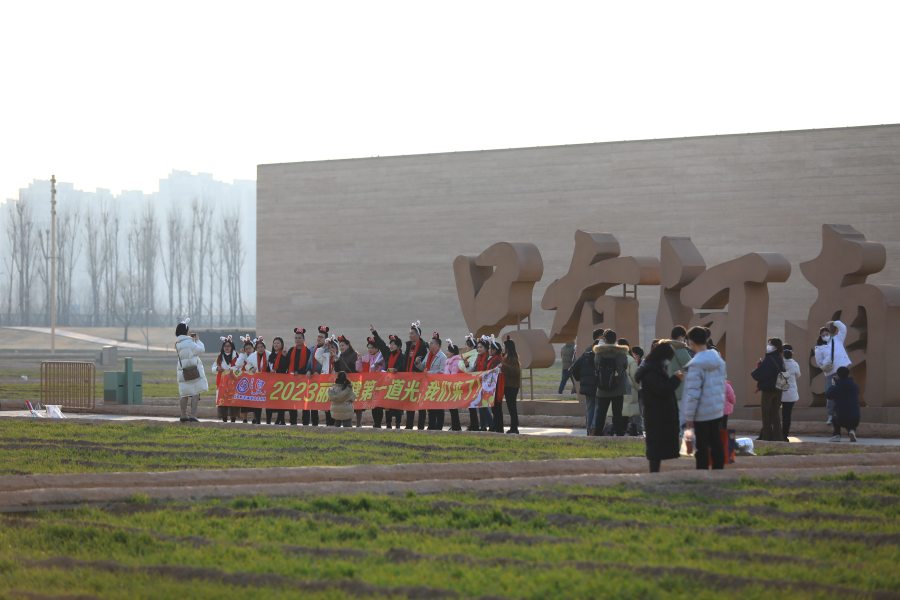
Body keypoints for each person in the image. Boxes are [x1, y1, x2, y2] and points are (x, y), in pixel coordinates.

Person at [681, 326, 728, 470]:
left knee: (701, 446)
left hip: (701, 413)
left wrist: (688, 416)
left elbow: (693, 393)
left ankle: (702, 473)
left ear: (691, 341)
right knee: (716, 442)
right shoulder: (718, 360)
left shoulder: (696, 364)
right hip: (716, 409)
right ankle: (719, 470)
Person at [635, 341, 684, 472]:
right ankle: (654, 473)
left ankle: (656, 472)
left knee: (658, 446)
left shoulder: (655, 368)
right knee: (656, 447)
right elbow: (662, 389)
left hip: (659, 413)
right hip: (656, 414)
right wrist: (676, 379)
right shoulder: (651, 372)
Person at [815, 320, 852, 425]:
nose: (825, 336)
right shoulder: (819, 348)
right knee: (830, 395)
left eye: (826, 334)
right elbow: (819, 362)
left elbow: (843, 329)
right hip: (830, 373)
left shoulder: (837, 339)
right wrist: (825, 365)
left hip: (842, 371)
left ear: (830, 334)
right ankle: (830, 416)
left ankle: (844, 415)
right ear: (820, 337)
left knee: (844, 393)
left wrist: (835, 323)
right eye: (823, 335)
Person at [593, 330, 629, 436]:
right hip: (618, 387)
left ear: (604, 339)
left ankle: (598, 432)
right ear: (615, 339)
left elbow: (596, 365)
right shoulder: (621, 352)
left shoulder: (599, 352)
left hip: (602, 386)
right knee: (617, 412)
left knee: (601, 412)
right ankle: (619, 433)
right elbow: (624, 366)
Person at [751, 337, 786, 441]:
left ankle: (766, 437)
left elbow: (760, 374)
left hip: (768, 391)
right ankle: (778, 437)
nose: (768, 346)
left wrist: (758, 367)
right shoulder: (780, 358)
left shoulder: (769, 359)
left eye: (770, 344)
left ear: (775, 347)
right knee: (775, 415)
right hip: (778, 390)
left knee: (766, 415)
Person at [370, 325, 405, 428]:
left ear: (398, 346)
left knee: (397, 405)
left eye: (394, 344)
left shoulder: (402, 356)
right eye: (391, 344)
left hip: (398, 384)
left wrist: (396, 370)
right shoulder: (388, 354)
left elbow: (403, 367)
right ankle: (388, 424)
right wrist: (374, 333)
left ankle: (398, 425)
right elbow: (381, 345)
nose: (391, 346)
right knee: (387, 404)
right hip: (388, 383)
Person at [174, 319, 208, 423]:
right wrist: (197, 340)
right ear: (185, 331)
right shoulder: (189, 342)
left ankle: (183, 415)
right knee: (195, 393)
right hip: (193, 371)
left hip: (183, 371)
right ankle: (193, 415)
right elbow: (201, 350)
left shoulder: (177, 343)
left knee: (184, 394)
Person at [570, 328, 602, 435]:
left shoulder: (586, 352)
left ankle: (589, 429)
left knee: (590, 407)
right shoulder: (600, 353)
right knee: (597, 407)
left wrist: (580, 379)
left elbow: (574, 368)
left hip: (587, 386)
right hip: (598, 385)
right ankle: (593, 428)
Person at [286, 327, 315, 426]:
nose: (297, 340)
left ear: (303, 339)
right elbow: (286, 364)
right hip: (292, 381)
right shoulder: (291, 350)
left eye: (299, 338)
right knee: (292, 402)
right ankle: (293, 422)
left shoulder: (308, 351)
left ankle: (305, 423)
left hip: (304, 380)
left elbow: (309, 365)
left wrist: (299, 372)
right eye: (296, 338)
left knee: (305, 402)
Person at [667, 326, 695, 424]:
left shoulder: (665, 347)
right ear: (680, 337)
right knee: (681, 416)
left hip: (667, 383)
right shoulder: (679, 347)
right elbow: (689, 364)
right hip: (679, 385)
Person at [238, 337, 270, 424]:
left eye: (262, 347)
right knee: (257, 401)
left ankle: (268, 420)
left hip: (267, 381)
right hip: (256, 381)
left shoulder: (269, 355)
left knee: (267, 401)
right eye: (258, 347)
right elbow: (247, 365)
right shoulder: (252, 356)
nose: (260, 349)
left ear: (264, 347)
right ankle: (257, 419)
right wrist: (251, 368)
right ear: (256, 348)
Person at [403, 320, 429, 430]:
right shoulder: (408, 346)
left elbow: (426, 363)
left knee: (420, 403)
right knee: (410, 402)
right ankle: (409, 425)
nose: (410, 335)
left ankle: (421, 426)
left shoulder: (423, 346)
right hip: (409, 378)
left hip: (420, 378)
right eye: (410, 333)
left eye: (412, 333)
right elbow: (405, 360)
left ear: (418, 335)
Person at [419, 332, 447, 430]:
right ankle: (431, 426)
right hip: (429, 385)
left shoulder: (442, 357)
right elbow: (423, 367)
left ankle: (439, 427)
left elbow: (442, 371)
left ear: (438, 345)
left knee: (438, 407)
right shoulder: (429, 354)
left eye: (432, 343)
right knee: (430, 406)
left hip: (438, 385)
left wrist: (429, 373)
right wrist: (417, 363)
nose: (429, 345)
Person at [357, 336, 386, 428]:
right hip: (370, 384)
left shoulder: (381, 357)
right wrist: (358, 359)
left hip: (380, 384)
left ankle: (378, 423)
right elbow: (358, 369)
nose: (370, 349)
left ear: (377, 348)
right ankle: (375, 423)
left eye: (372, 347)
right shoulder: (366, 357)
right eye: (368, 347)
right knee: (373, 405)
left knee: (378, 405)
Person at [825, 367, 860, 442]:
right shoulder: (854, 386)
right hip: (856, 418)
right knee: (850, 415)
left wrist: (833, 384)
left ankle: (836, 435)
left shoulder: (837, 386)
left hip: (841, 417)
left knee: (835, 417)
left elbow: (828, 395)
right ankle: (851, 430)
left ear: (838, 375)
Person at [466, 337, 492, 431]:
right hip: (479, 384)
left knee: (484, 406)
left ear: (486, 348)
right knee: (481, 405)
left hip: (486, 384)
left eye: (481, 347)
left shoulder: (488, 358)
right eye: (478, 347)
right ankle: (483, 426)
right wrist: (467, 366)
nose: (479, 349)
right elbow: (474, 369)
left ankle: (491, 425)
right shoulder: (478, 357)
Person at [212, 335, 238, 423]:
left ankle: (233, 418)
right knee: (222, 400)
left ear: (232, 347)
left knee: (233, 400)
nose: (227, 348)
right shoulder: (219, 357)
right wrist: (217, 368)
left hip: (233, 382)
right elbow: (213, 368)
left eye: (229, 346)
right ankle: (224, 418)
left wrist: (233, 371)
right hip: (222, 383)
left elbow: (240, 368)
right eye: (225, 346)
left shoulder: (236, 356)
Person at [618, 338, 642, 436]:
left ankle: (620, 431)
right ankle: (633, 431)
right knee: (630, 413)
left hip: (617, 390)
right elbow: (635, 377)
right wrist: (638, 388)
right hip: (629, 390)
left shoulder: (614, 358)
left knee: (620, 412)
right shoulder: (631, 360)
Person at [500, 338, 521, 434]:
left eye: (505, 346)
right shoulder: (506, 356)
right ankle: (513, 427)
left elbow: (515, 371)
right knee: (510, 407)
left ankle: (514, 428)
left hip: (512, 386)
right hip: (507, 385)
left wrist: (503, 366)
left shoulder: (513, 357)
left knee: (512, 408)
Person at [266, 336, 289, 425]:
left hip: (281, 383)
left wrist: (285, 357)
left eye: (278, 343)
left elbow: (285, 367)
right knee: (269, 403)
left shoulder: (284, 355)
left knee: (280, 403)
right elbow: (267, 368)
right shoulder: (270, 356)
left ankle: (280, 420)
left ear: (282, 345)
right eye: (274, 343)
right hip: (271, 383)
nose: (276, 345)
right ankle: (268, 421)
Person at [781, 345, 801, 440]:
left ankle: (776, 433)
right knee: (787, 415)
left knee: (775, 414)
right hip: (791, 394)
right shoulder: (795, 364)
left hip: (780, 392)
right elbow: (798, 375)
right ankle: (785, 435)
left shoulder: (780, 363)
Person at [234, 336, 256, 423]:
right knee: (244, 400)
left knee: (254, 400)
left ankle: (255, 418)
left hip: (254, 380)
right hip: (245, 380)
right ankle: (244, 418)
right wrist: (242, 355)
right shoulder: (243, 356)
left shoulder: (256, 356)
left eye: (250, 348)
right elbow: (237, 364)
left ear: (253, 348)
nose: (248, 350)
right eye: (246, 349)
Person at [444, 339, 464, 431]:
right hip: (448, 386)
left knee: (453, 408)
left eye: (448, 351)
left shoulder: (456, 361)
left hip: (453, 387)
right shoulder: (448, 361)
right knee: (451, 407)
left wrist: (449, 383)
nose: (446, 352)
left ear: (452, 352)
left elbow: (454, 375)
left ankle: (456, 426)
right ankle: (454, 425)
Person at [487, 336, 506, 433]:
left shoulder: (497, 359)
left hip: (496, 386)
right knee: (495, 408)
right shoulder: (494, 358)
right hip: (493, 386)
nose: (489, 350)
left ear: (494, 350)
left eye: (490, 348)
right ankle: (497, 427)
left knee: (497, 408)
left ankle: (499, 428)